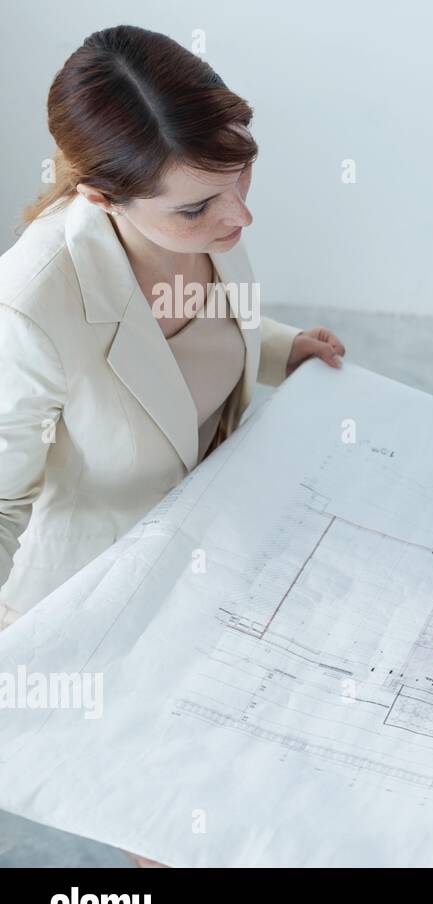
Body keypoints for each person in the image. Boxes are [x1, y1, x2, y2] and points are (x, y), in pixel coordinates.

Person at [0, 25, 346, 631]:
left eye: (242, 171)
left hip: (206, 547)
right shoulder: (29, 306)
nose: (242, 214)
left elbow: (194, 326)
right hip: (88, 596)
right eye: (194, 207)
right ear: (103, 198)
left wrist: (275, 348)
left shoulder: (207, 223)